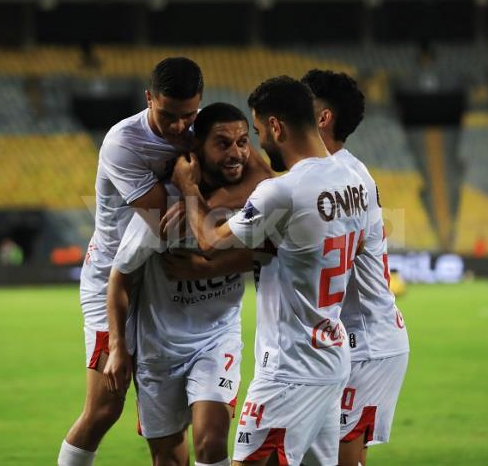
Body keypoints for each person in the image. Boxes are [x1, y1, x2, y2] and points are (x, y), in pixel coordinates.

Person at [58, 59, 269, 466]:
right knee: (105, 406)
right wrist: (198, 196)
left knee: (207, 439)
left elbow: (262, 180)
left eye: (188, 116)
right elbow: (168, 225)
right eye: (168, 116)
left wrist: (205, 198)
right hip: (115, 276)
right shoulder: (124, 143)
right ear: (148, 99)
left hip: (165, 282)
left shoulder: (206, 132)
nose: (178, 128)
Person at [171, 76, 370, 466]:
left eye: (258, 131)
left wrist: (188, 187)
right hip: (331, 360)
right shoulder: (354, 181)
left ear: (276, 126)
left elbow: (210, 240)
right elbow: (355, 245)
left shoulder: (282, 193)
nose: (258, 145)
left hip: (287, 370)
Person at [106, 102, 264, 466]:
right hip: (158, 350)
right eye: (222, 144)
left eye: (243, 142)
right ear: (197, 150)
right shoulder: (162, 210)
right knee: (169, 457)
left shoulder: (252, 207)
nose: (237, 153)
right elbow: (120, 279)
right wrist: (117, 347)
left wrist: (203, 268)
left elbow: (270, 255)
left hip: (215, 340)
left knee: (210, 444)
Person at [301, 69, 409, 466]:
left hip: (367, 343)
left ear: (323, 118)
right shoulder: (339, 171)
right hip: (355, 340)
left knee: (342, 459)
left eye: (301, 104)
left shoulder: (341, 178)